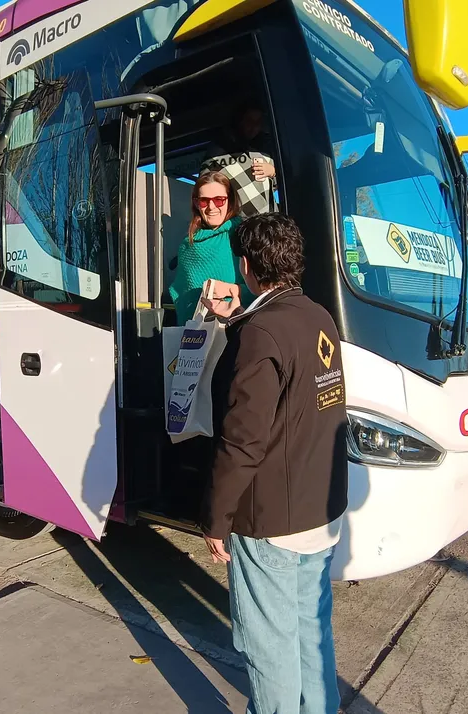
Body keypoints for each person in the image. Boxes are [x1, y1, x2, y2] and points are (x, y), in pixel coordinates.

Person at [200, 213, 349, 714]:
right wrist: (238, 319)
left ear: (245, 265)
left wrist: (217, 516)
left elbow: (244, 441)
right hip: (319, 510)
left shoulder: (263, 332)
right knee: (312, 632)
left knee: (270, 648)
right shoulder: (317, 316)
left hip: (272, 521)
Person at [168, 172, 254, 322]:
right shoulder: (187, 246)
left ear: (230, 200)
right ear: (196, 203)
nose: (211, 207)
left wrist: (230, 289)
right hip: (198, 336)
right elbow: (182, 299)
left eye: (219, 200)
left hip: (239, 327)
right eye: (204, 201)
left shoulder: (246, 236)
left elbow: (269, 290)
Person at [201, 101, 278, 218]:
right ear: (239, 121)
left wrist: (273, 171)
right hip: (234, 221)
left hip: (267, 219)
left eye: (258, 122)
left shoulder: (267, 151)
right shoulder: (218, 150)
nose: (254, 126)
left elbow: (282, 184)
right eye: (249, 121)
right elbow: (205, 183)